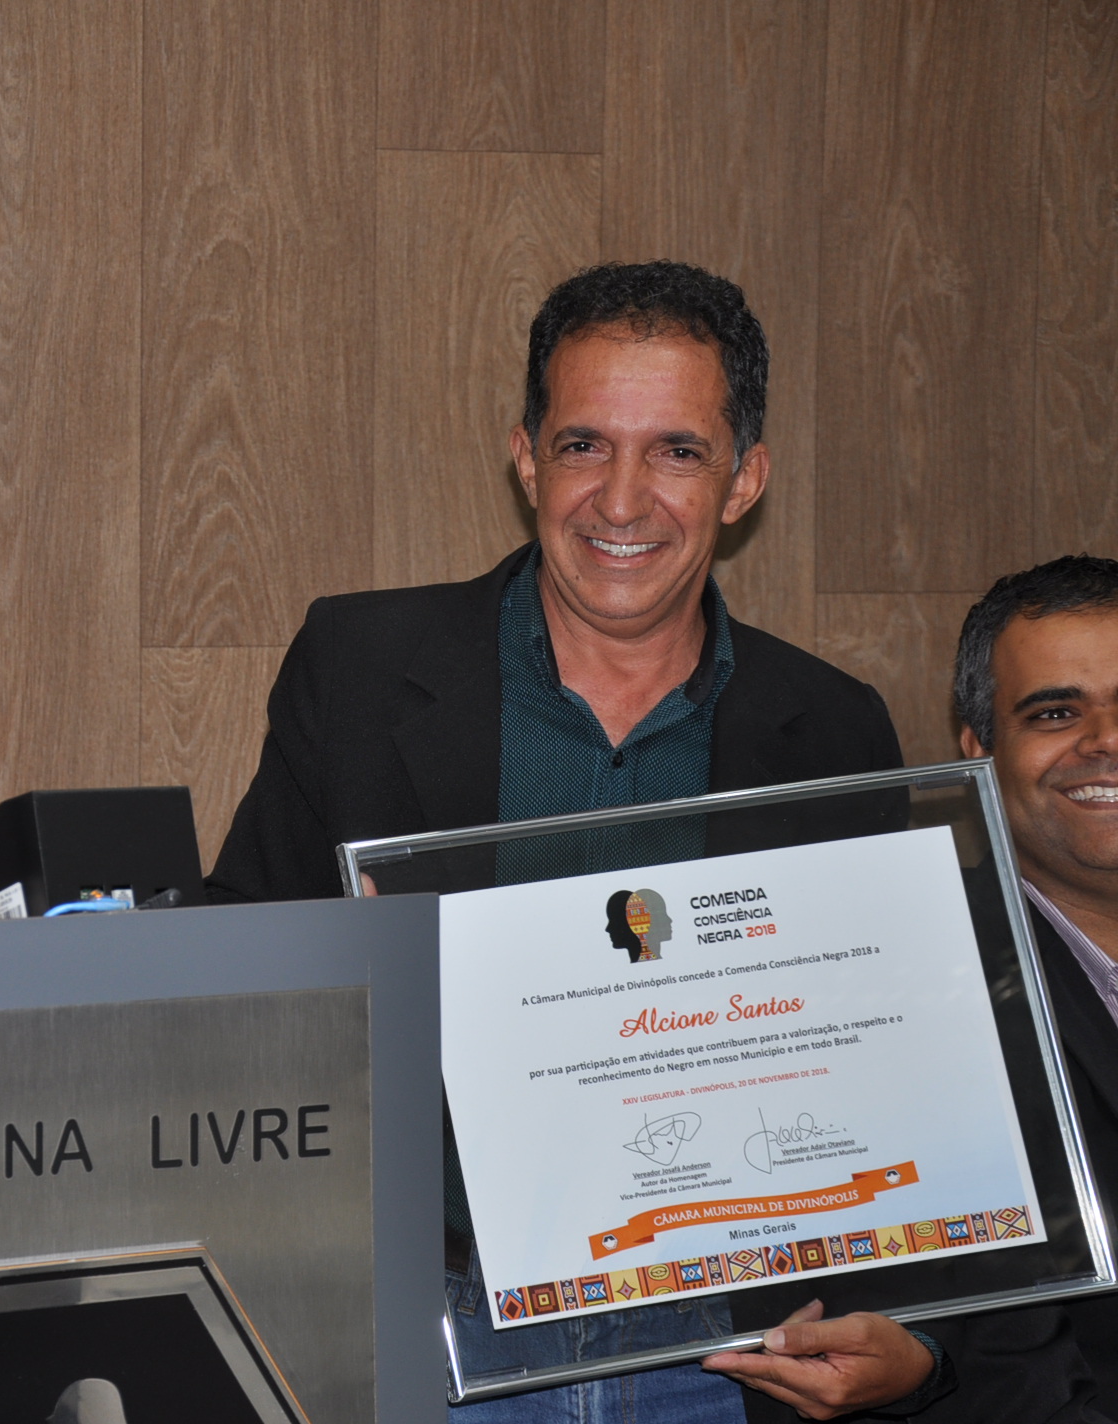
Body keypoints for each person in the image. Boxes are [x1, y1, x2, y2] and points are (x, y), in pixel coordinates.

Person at [208, 261, 951, 1421]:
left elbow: (884, 1068)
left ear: (743, 480)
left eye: (675, 451)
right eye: (582, 445)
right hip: (423, 1326)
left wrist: (922, 1340)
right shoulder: (359, 667)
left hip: (720, 1345)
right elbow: (236, 966)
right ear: (525, 458)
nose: (619, 499)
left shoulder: (830, 727)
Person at [929, 553, 1118, 1412]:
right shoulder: (914, 996)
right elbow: (1007, 1357)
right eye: (1055, 712)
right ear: (980, 752)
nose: (1104, 739)